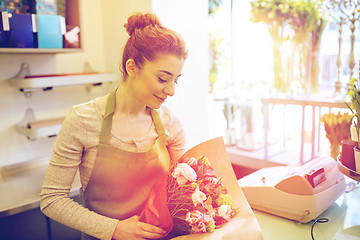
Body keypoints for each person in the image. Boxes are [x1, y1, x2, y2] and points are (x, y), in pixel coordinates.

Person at [40, 12, 188, 240]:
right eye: (162, 79)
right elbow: (52, 200)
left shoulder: (170, 123)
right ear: (132, 68)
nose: (171, 90)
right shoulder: (83, 120)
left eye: (175, 80)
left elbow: (182, 189)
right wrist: (114, 229)